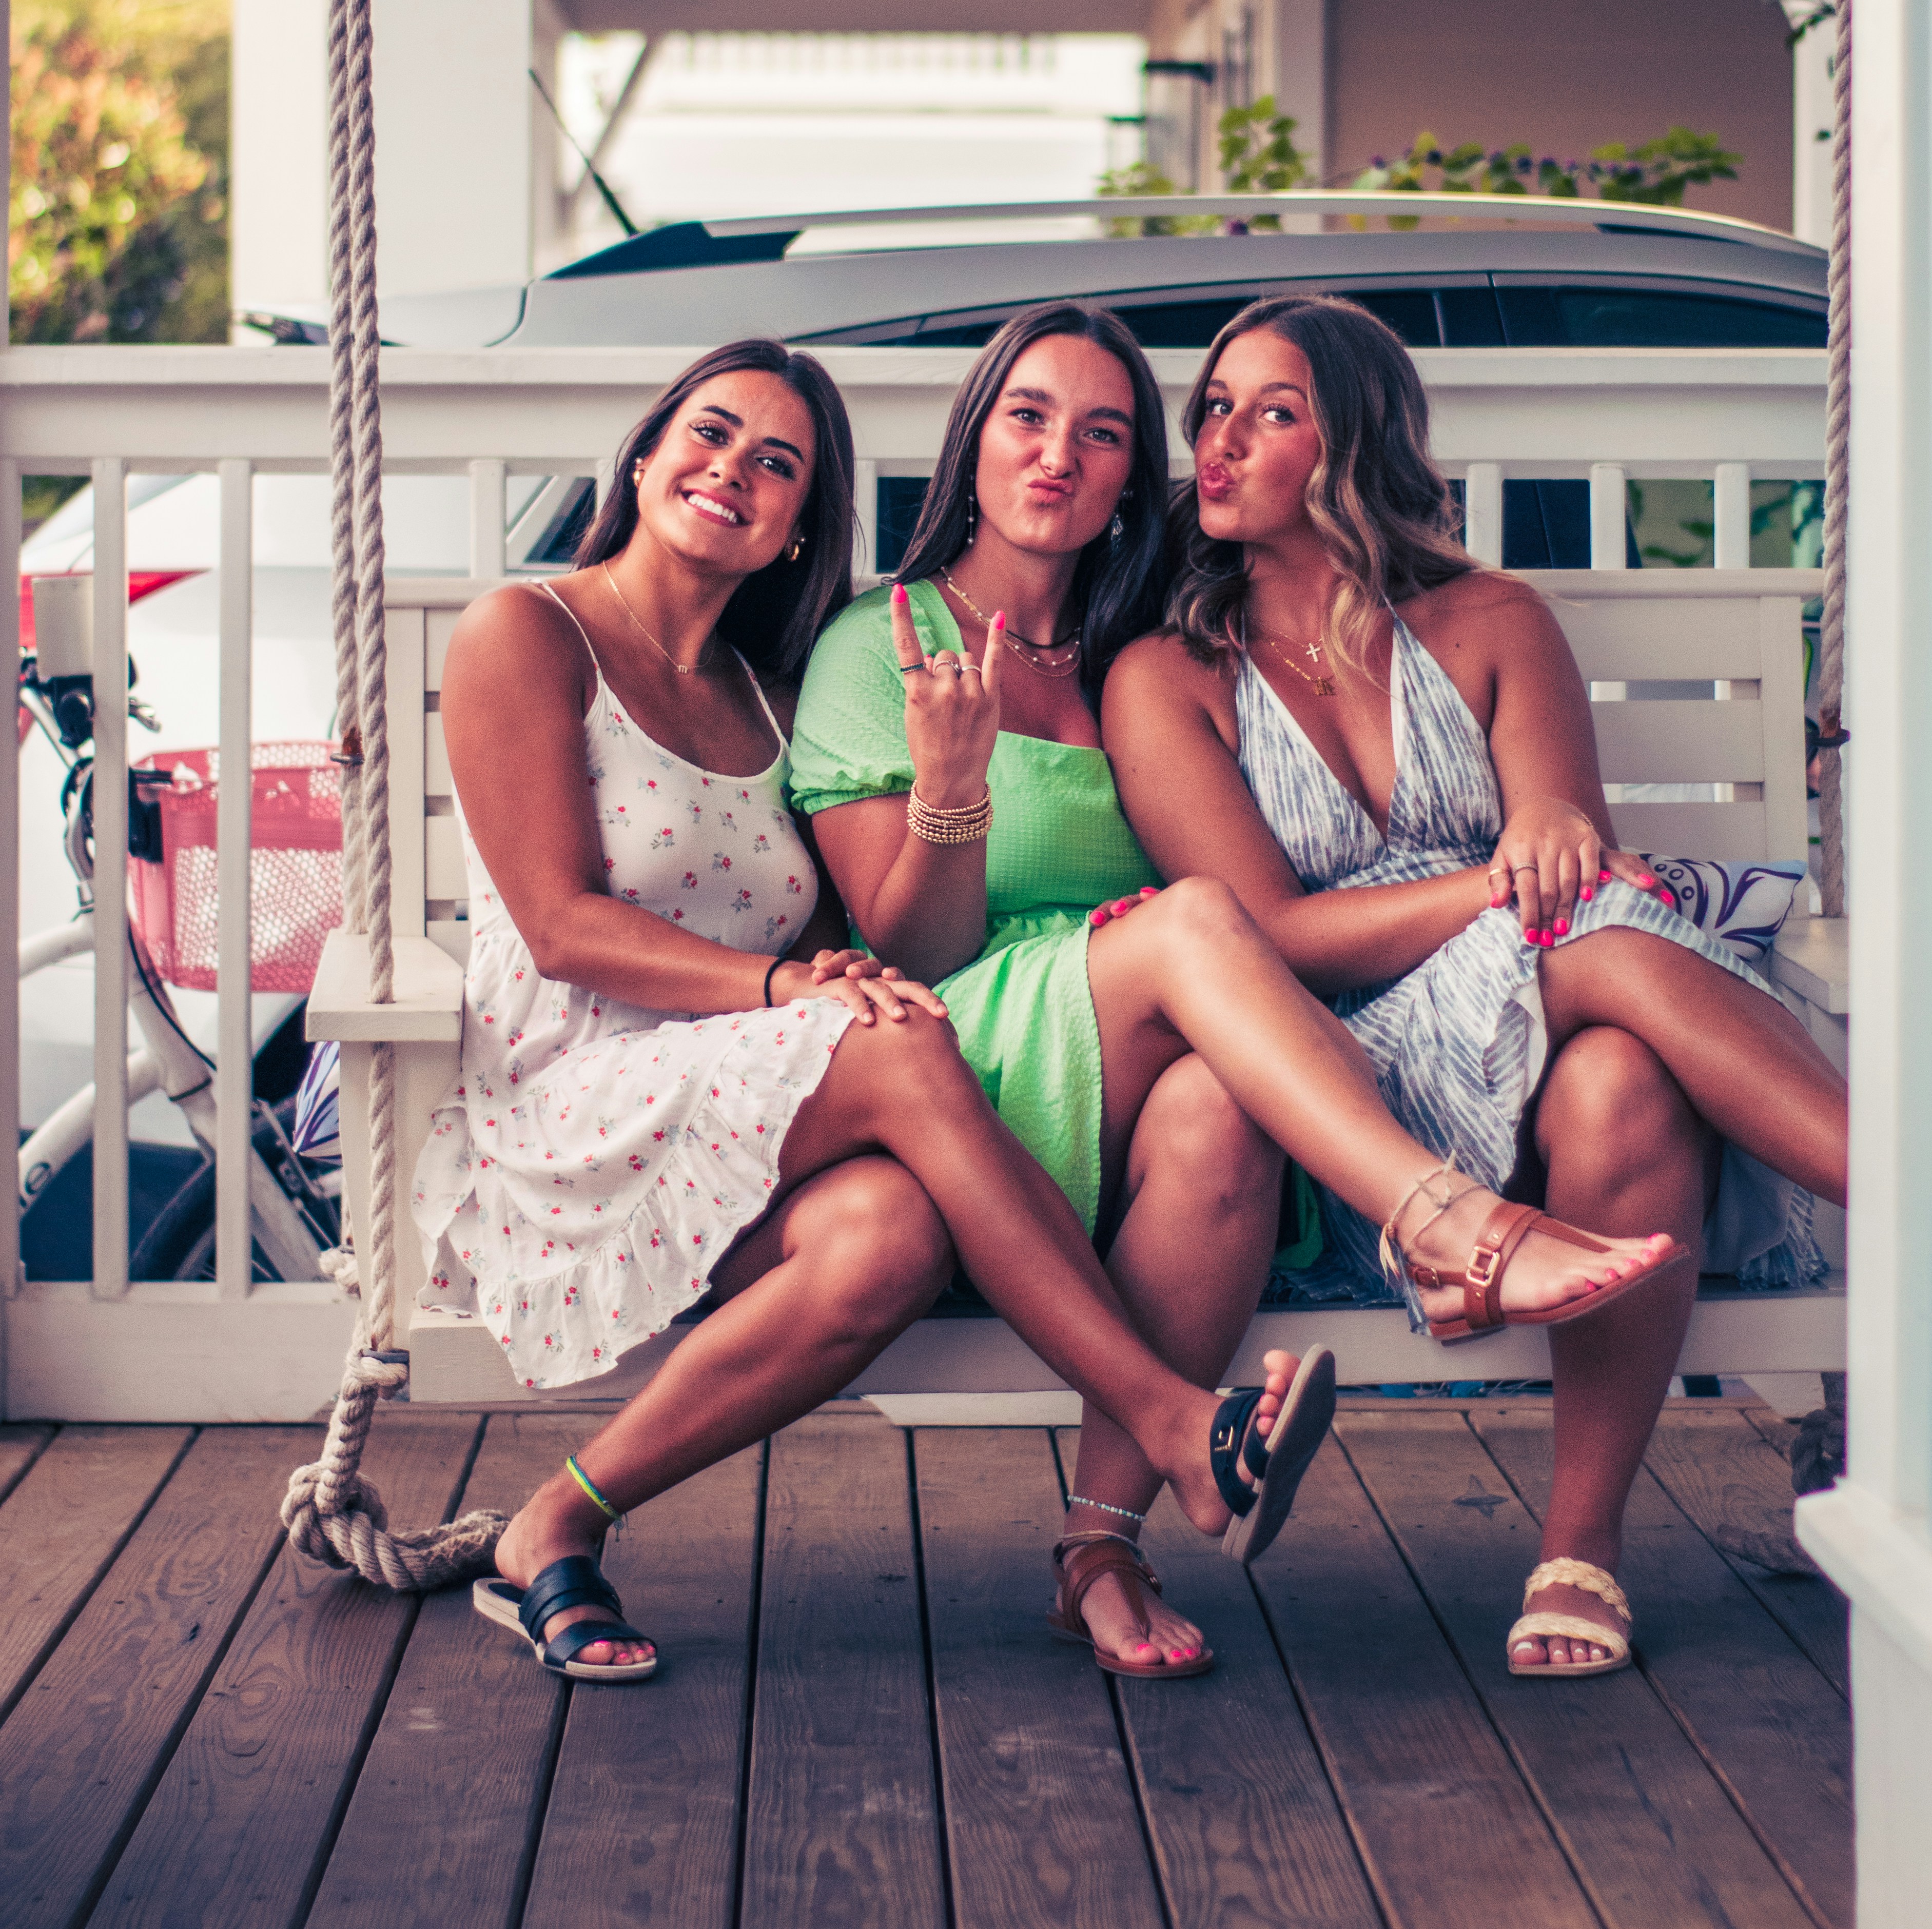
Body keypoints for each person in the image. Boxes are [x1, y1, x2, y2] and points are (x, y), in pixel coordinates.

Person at [794, 303, 1685, 1682]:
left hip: (1188, 1034)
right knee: (1200, 923)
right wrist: (953, 790)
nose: (1060, 460)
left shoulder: (1137, 634)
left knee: (1221, 1101)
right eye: (1028, 420)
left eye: (1103, 434)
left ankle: (1101, 1544)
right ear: (972, 440)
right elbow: (914, 955)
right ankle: (1445, 1226)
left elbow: (1330, 684)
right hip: (965, 1062)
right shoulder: (885, 644)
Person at [416, 337, 1312, 1688]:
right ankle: (1174, 1421)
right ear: (645, 454)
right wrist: (792, 989)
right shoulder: (529, 633)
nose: (732, 473)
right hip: (574, 1095)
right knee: (897, 1040)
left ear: (796, 531)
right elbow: (562, 925)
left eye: (776, 465)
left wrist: (884, 893)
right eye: (710, 437)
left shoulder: (771, 699)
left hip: (745, 1105)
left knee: (891, 1238)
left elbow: (859, 933)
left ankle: (554, 1520)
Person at [1101, 290, 1849, 1680]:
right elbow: (1265, 931)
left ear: (1354, 444)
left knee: (1624, 1073)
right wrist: (1493, 888)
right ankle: (1901, 1189)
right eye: (1213, 409)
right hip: (1340, 1077)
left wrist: (1531, 882)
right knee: (1601, 940)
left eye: (1274, 413)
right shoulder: (1169, 674)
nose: (1221, 441)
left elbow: (1567, 852)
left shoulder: (1494, 619)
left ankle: (1582, 1551)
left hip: (1560, 1024)